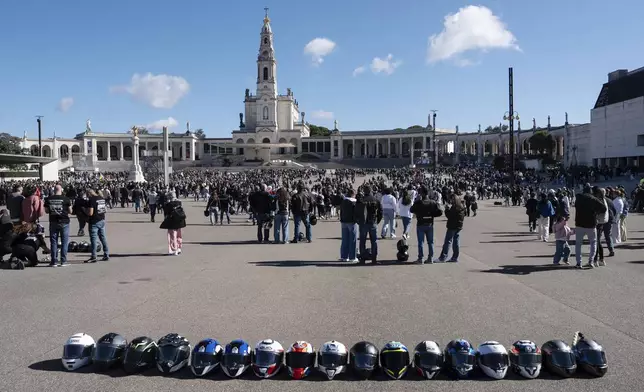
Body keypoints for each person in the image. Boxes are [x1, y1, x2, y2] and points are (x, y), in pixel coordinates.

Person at [574, 185, 607, 269]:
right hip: (591, 223)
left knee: (578, 244)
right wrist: (595, 212)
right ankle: (591, 261)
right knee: (593, 243)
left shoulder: (578, 198)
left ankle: (578, 262)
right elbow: (603, 208)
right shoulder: (593, 199)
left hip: (579, 223)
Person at [410, 186, 442, 264]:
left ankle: (420, 258)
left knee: (420, 242)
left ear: (422, 193)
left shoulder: (419, 203)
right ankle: (430, 258)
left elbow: (411, 210)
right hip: (429, 223)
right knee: (430, 242)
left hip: (421, 224)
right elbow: (440, 212)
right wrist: (432, 215)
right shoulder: (433, 202)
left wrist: (416, 201)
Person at [44, 184, 72, 267]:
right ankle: (63, 261)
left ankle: (54, 261)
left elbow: (46, 211)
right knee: (64, 242)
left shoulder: (49, 199)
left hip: (53, 221)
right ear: (61, 190)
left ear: (54, 190)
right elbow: (70, 211)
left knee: (54, 242)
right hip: (64, 221)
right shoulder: (66, 199)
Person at [354, 185, 382, 264]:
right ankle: (374, 259)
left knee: (362, 241)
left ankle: (362, 259)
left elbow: (356, 212)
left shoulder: (361, 200)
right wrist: (377, 221)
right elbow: (380, 212)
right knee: (374, 241)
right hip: (373, 222)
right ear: (371, 191)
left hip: (363, 223)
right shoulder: (376, 200)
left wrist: (358, 221)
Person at [437, 194, 465, 263]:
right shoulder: (461, 206)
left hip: (452, 226)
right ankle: (455, 257)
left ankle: (443, 257)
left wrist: (446, 209)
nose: (451, 201)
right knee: (456, 241)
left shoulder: (454, 207)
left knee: (448, 241)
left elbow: (449, 216)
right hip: (458, 226)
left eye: (452, 199)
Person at [85, 188, 110, 263]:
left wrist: (85, 210)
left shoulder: (92, 200)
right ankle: (106, 254)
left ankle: (94, 256)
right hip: (102, 220)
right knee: (103, 238)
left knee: (93, 239)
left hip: (94, 221)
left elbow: (90, 213)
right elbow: (105, 210)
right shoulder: (101, 198)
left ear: (89, 194)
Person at [592, 187, 615, 267]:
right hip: (606, 220)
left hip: (599, 222)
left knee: (597, 241)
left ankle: (596, 260)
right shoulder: (608, 200)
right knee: (602, 239)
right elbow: (614, 210)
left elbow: (602, 210)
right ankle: (602, 257)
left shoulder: (599, 200)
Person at [339, 189, 358, 262]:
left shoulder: (343, 201)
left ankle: (344, 256)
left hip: (344, 221)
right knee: (352, 239)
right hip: (352, 222)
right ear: (353, 194)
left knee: (344, 239)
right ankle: (352, 257)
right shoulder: (354, 202)